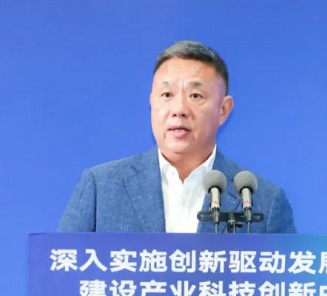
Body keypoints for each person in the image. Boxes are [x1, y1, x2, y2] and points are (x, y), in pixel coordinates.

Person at [58, 40, 296, 233]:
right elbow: (60, 272)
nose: (179, 109)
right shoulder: (100, 188)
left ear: (223, 110)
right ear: (151, 102)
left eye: (195, 96)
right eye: (167, 94)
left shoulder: (264, 201)